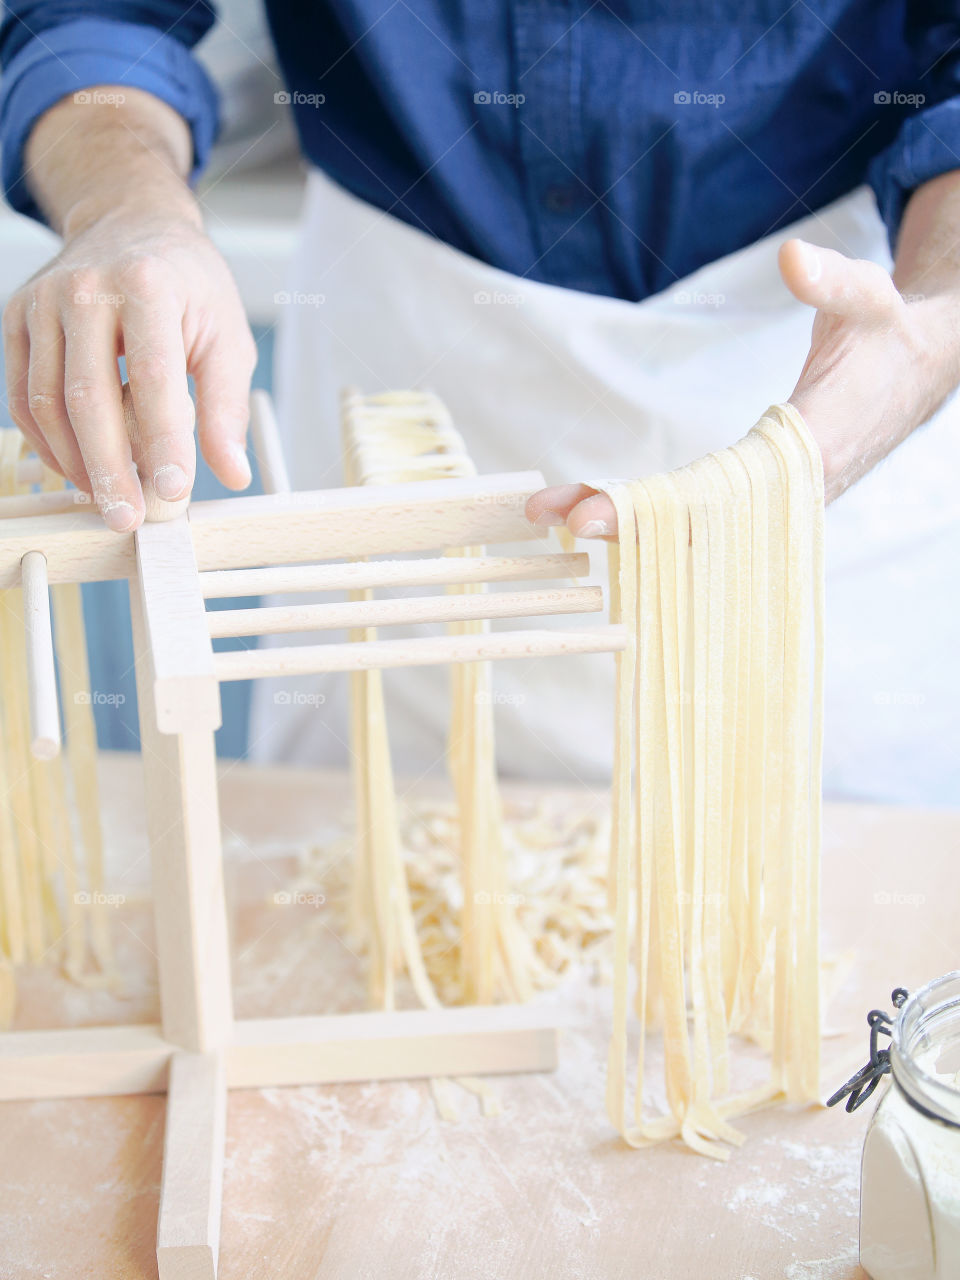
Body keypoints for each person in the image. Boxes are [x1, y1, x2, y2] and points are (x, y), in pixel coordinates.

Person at [1, 3, 958, 803]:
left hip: (839, 343)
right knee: (366, 880)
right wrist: (126, 204)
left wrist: (930, 328)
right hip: (402, 337)